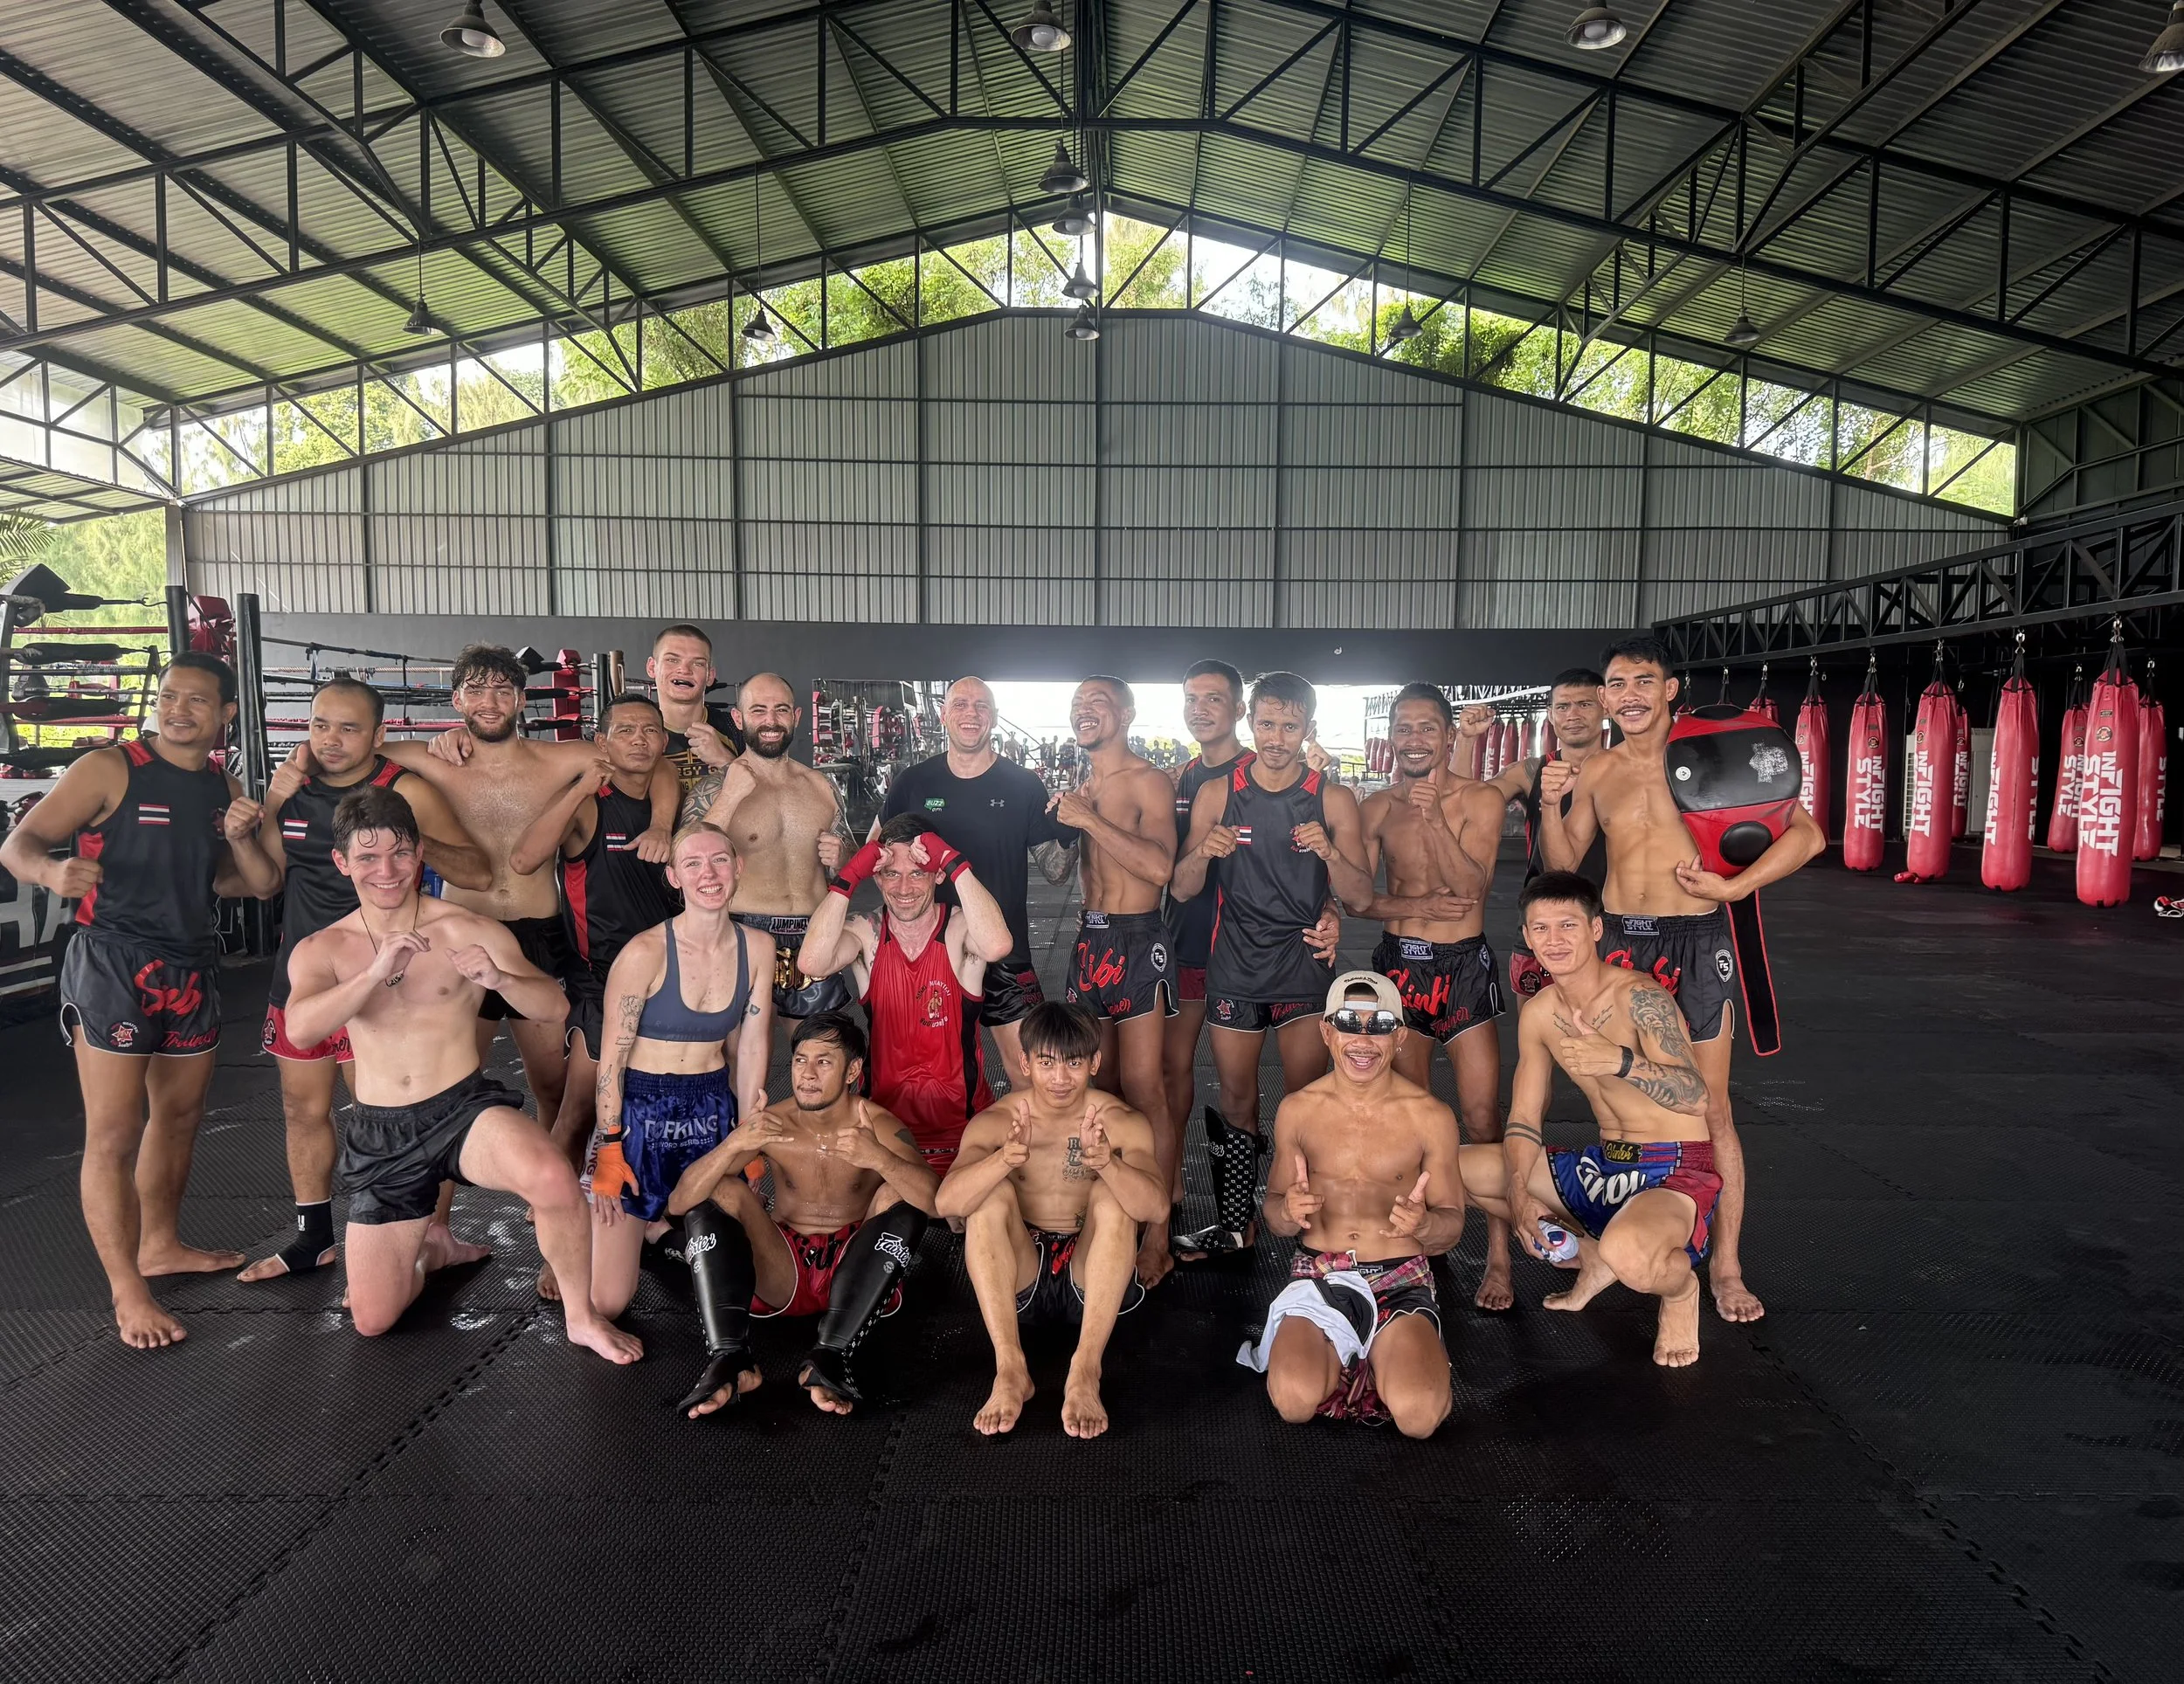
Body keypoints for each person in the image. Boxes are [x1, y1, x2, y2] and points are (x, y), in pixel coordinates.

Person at [279, 784, 640, 1363]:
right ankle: (429, 1254)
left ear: (419, 853)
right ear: (343, 862)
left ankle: (581, 1316)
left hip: (461, 1112)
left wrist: (501, 980)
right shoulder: (324, 949)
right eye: (368, 858)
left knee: (551, 1177)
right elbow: (300, 1030)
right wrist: (373, 974)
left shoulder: (465, 928)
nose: (387, 871)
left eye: (399, 853)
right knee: (374, 1320)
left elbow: (552, 1005)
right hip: (382, 1133)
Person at [1539, 634, 1824, 1323]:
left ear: (1670, 690)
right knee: (1621, 1099)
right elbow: (1566, 861)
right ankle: (1638, 1234)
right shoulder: (1599, 770)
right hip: (1622, 948)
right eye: (1617, 684)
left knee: (1710, 1108)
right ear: (1604, 697)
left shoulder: (1708, 754)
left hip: (1694, 940)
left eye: (1644, 681)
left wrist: (1735, 891)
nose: (1629, 695)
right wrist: (1551, 803)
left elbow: (1807, 838)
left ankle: (1725, 1267)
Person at [0, 655, 281, 1348]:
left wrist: (243, 836)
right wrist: (51, 870)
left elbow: (250, 886)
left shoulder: (224, 785)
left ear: (226, 715)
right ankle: (130, 1291)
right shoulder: (109, 768)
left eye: (196, 700)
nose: (178, 709)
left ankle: (161, 1245)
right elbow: (19, 843)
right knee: (115, 1132)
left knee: (180, 1117)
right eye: (168, 696)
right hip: (112, 962)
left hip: (190, 963)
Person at [243, 678, 492, 1282]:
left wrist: (414, 844)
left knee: (395, 1119)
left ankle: (413, 1241)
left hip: (384, 988)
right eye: (321, 725)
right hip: (304, 983)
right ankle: (313, 1238)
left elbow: (479, 872)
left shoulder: (404, 790)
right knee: (303, 1110)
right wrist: (262, 816)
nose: (331, 739)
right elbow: (264, 883)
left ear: (379, 734)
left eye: (349, 728)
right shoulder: (293, 790)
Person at [384, 645, 680, 1138]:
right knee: (447, 1085)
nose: (490, 702)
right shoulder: (430, 759)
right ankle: (436, 1215)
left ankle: (551, 1203)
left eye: (503, 691)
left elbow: (655, 764)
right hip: (462, 932)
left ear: (522, 700)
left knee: (554, 1087)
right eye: (475, 691)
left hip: (540, 936)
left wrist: (665, 825)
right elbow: (349, 750)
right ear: (456, 700)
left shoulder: (563, 758)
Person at [1455, 873, 1718, 1368]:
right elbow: (1526, 1118)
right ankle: (1590, 1255)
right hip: (1605, 1166)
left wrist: (1621, 1061)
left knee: (1635, 1258)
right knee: (1441, 1172)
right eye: (1541, 929)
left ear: (1596, 929)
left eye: (1568, 925)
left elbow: (1696, 1099)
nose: (1554, 941)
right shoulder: (1539, 1012)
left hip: (1672, 1169)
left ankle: (1681, 1292)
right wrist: (1518, 1192)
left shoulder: (1641, 998)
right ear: (1528, 937)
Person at [1170, 672, 1372, 1260]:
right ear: (1250, 722)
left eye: (1289, 726)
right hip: (1234, 965)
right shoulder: (1219, 792)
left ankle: (1316, 1228)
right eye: (1266, 724)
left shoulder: (1331, 798)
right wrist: (1203, 852)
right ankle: (1238, 1223)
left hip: (1302, 966)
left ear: (1308, 728)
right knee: (1236, 1099)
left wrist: (1330, 852)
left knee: (1308, 1099)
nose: (1277, 738)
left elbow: (1358, 896)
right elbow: (1181, 889)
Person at [664, 1013, 937, 1418]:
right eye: (799, 1060)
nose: (807, 1074)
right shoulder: (773, 1124)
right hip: (784, 1268)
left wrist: (878, 1157)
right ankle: (730, 1358)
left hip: (858, 1273)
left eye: (824, 1062)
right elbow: (679, 1204)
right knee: (721, 1188)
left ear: (853, 1070)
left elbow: (935, 1203)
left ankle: (829, 1357)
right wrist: (735, 1142)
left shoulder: (876, 1124)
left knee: (900, 1188)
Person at [580, 826, 771, 1387]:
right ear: (673, 877)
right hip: (639, 1108)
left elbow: (755, 1043)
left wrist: (746, 1133)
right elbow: (611, 1059)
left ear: (738, 867)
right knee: (608, 1302)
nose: (708, 874)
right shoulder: (644, 952)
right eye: (693, 864)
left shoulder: (756, 947)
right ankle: (580, 1208)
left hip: (709, 1105)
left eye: (718, 861)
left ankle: (659, 1226)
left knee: (747, 1281)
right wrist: (611, 1144)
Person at [507, 694, 685, 1296]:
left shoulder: (667, 786)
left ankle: (657, 1215)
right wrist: (579, 787)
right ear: (601, 741)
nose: (640, 740)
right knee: (579, 1111)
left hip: (669, 975)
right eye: (625, 730)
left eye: (651, 730)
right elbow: (526, 857)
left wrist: (662, 826)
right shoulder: (589, 804)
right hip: (600, 980)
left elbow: (659, 775)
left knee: (661, 1104)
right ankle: (558, 1251)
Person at [936, 1003, 1166, 1439]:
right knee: (987, 1197)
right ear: (1025, 1063)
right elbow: (948, 1201)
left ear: (1094, 1062)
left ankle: (1085, 1369)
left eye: (1074, 1063)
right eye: (1046, 1063)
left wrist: (1109, 1166)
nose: (1060, 1079)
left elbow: (1155, 1210)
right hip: (1021, 1279)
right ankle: (1010, 1370)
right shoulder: (1000, 1120)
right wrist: (1003, 1160)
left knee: (1113, 1197)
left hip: (1093, 1278)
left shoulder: (1120, 1121)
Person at [1249, 973, 1463, 1436]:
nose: (1363, 1039)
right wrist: (1287, 1213)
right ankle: (1355, 1361)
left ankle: (1390, 1357)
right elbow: (1273, 1212)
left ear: (1400, 1037)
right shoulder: (1298, 1110)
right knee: (1292, 1401)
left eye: (1379, 1025)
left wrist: (1425, 1226)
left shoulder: (1431, 1117)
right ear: (1328, 1032)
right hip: (1320, 1276)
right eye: (1348, 1022)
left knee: (1420, 1419)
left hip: (1400, 1276)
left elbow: (1453, 1225)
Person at [1357, 684, 1514, 1311]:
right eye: (1404, 728)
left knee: (1481, 1118)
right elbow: (1358, 900)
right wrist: (1413, 906)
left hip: (1463, 967)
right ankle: (1417, 1240)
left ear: (1449, 736)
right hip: (1400, 969)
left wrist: (1432, 818)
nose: (1415, 739)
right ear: (1391, 737)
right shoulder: (1374, 807)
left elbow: (1472, 887)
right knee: (1410, 1118)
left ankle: (1499, 1256)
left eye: (1427, 728)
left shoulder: (1480, 797)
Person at [876, 676, 1080, 1088]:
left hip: (1005, 947)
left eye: (982, 706)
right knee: (930, 1071)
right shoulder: (913, 783)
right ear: (944, 714)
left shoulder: (1023, 785)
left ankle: (1027, 1151)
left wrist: (1073, 830)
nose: (972, 714)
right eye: (962, 704)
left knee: (1029, 1069)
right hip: (929, 951)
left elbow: (1056, 873)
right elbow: (875, 858)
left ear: (995, 717)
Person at [1050, 677, 1180, 1287]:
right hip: (1089, 939)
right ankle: (1103, 1208)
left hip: (1136, 939)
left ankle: (1158, 1229)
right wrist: (1058, 821)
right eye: (1077, 705)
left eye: (1097, 703)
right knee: (1092, 1082)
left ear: (1126, 713)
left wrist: (1089, 820)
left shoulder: (1147, 781)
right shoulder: (1084, 787)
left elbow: (1159, 868)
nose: (1084, 712)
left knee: (1143, 1086)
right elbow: (1054, 873)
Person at [798, 814, 1015, 1174]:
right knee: (891, 1218)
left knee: (969, 1218)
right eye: (891, 874)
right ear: (877, 876)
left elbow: (997, 944)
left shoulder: (960, 927)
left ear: (937, 875)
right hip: (886, 1131)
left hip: (963, 1131)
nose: (904, 888)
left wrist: (952, 859)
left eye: (917, 873)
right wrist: (850, 874)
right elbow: (812, 961)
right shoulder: (867, 932)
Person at [688, 673, 853, 1034]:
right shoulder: (715, 787)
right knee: (740, 1060)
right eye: (758, 710)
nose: (770, 721)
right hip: (743, 932)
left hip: (813, 931)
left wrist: (841, 856)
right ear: (738, 718)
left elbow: (848, 857)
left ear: (795, 717)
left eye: (780, 710)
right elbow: (682, 857)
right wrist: (731, 796)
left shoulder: (820, 785)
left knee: (820, 1054)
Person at [1461, 669, 1607, 998]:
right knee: (1537, 1032)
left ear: (1605, 707)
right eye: (1563, 706)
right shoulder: (1529, 772)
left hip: (1610, 918)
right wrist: (1467, 740)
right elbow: (1462, 804)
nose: (1573, 715)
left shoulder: (1627, 770)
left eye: (1584, 704)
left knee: (1609, 1034)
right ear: (1551, 715)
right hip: (1544, 915)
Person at [1162, 659, 1251, 1148]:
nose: (1199, 709)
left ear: (1238, 708)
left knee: (1239, 1090)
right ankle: (1169, 1193)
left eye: (1213, 698)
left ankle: (1239, 1223)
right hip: (1184, 942)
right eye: (1191, 699)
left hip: (1246, 952)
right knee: (1170, 1073)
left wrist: (1327, 911)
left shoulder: (1265, 774)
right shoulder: (1178, 778)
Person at [648, 623, 741, 798]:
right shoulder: (633, 733)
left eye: (698, 663)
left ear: (710, 676)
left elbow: (767, 802)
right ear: (652, 667)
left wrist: (726, 761)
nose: (684, 670)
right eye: (672, 660)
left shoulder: (736, 728)